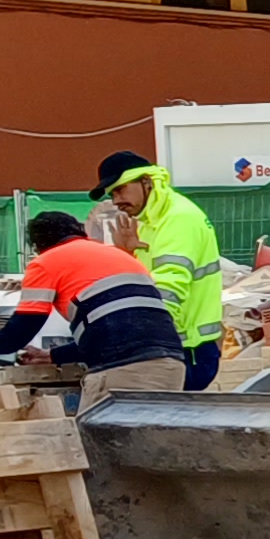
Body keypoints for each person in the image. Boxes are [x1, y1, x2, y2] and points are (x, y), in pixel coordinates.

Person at [0, 212, 188, 409]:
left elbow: (23, 328)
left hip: (125, 369)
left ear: (38, 246)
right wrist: (53, 356)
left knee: (96, 444)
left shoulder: (46, 262)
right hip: (171, 365)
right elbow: (117, 332)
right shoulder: (120, 257)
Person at [97, 151, 225, 389]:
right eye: (112, 194)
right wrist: (127, 254)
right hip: (177, 344)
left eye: (120, 190)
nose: (116, 201)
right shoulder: (152, 221)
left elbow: (170, 286)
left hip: (185, 348)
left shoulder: (178, 219)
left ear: (146, 181)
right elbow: (146, 283)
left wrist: (151, 340)